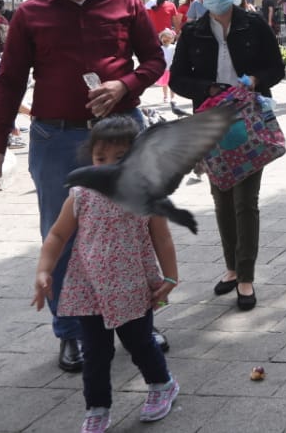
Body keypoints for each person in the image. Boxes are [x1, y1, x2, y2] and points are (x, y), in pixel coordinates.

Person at [0, 0, 166, 373]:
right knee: (60, 235)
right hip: (54, 136)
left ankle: (141, 322)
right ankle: (72, 332)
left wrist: (124, 84)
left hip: (121, 132)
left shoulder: (127, 2)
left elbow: (155, 60)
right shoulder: (31, 13)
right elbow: (9, 80)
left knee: (135, 228)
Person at [32, 116, 180, 432]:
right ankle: (97, 407)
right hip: (88, 289)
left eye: (120, 158)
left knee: (140, 343)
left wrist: (170, 278)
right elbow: (57, 236)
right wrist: (45, 270)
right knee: (95, 354)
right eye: (101, 158)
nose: (108, 166)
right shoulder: (81, 194)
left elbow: (162, 238)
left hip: (132, 287)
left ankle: (161, 384)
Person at [169, 0, 284, 312]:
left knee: (245, 201)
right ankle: (232, 268)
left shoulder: (254, 25)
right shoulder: (193, 33)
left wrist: (252, 79)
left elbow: (276, 69)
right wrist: (208, 88)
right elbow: (176, 79)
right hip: (210, 123)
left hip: (249, 121)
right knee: (221, 199)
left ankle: (246, 276)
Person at [155, 29, 176, 103]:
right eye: (164, 38)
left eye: (168, 38)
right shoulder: (160, 48)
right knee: (165, 84)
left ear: (171, 39)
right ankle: (165, 96)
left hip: (171, 68)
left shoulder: (173, 47)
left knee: (172, 84)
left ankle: (172, 97)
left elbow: (176, 55)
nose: (166, 39)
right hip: (164, 69)